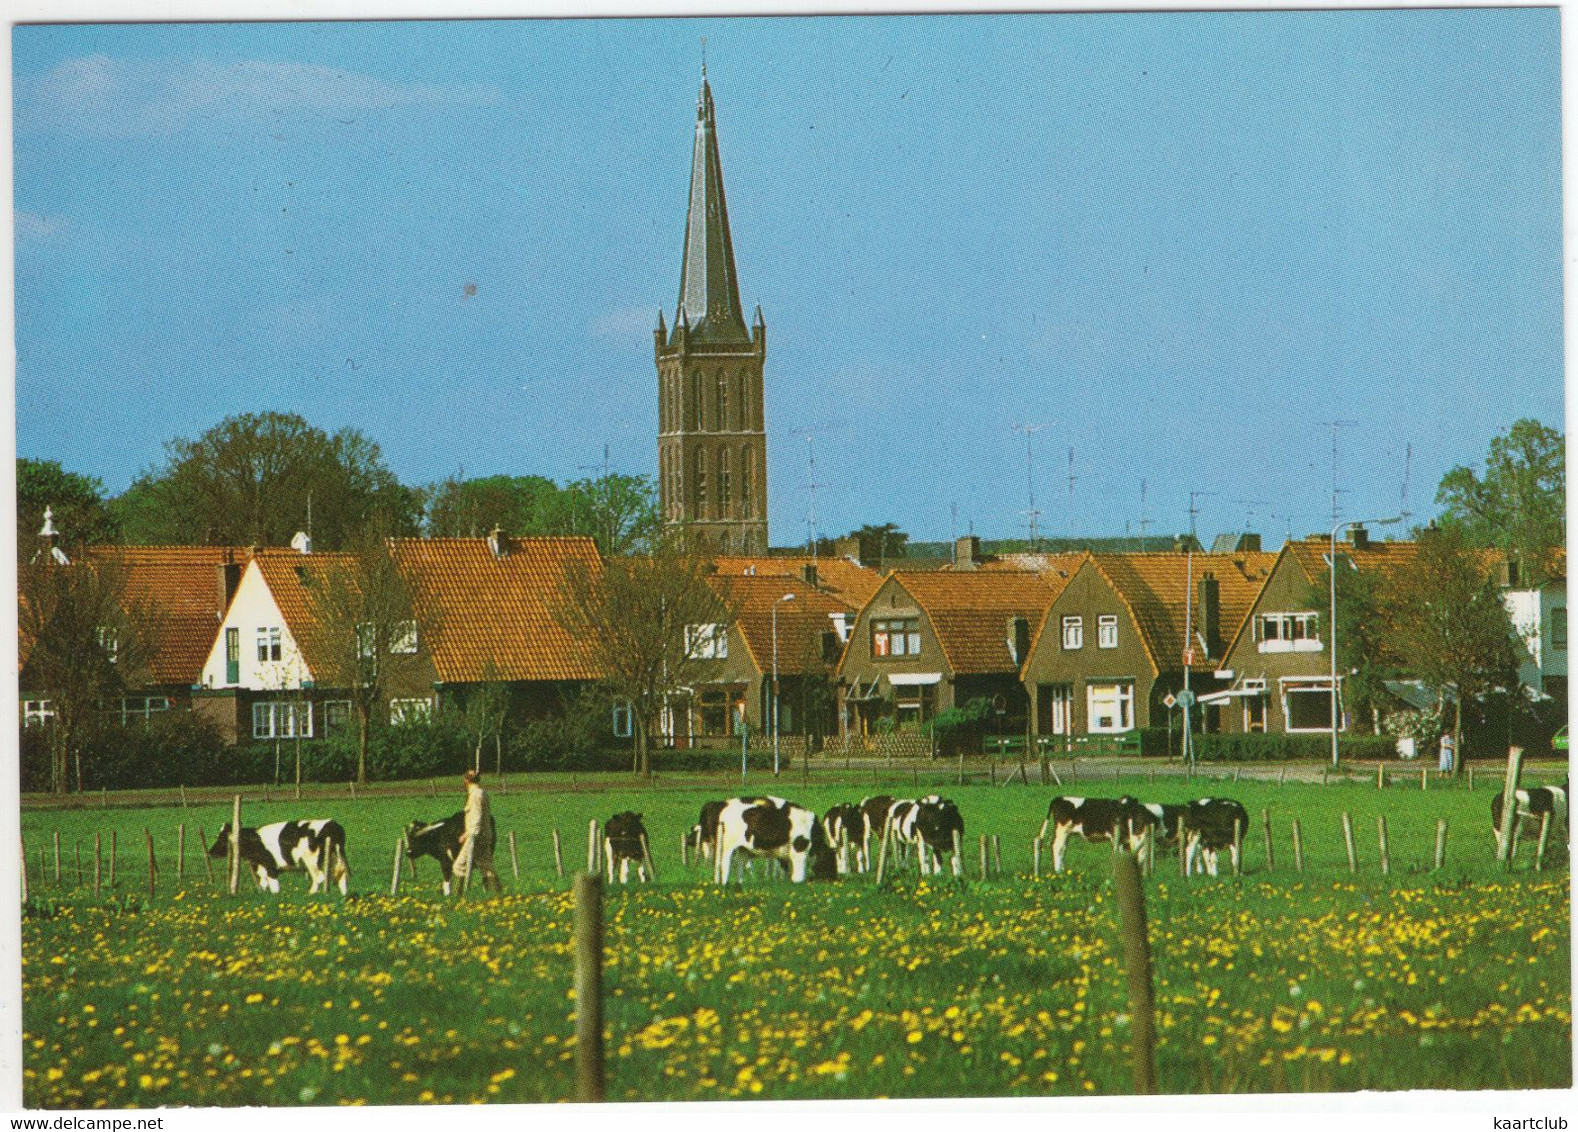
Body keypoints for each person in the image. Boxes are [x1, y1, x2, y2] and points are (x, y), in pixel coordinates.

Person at [454, 769, 501, 894]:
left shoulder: (475, 795)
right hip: (485, 835)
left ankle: (457, 895)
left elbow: (476, 818)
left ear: (466, 781)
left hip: (476, 837)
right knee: (486, 865)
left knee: (458, 866)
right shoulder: (483, 793)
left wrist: (468, 835)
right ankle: (497, 891)